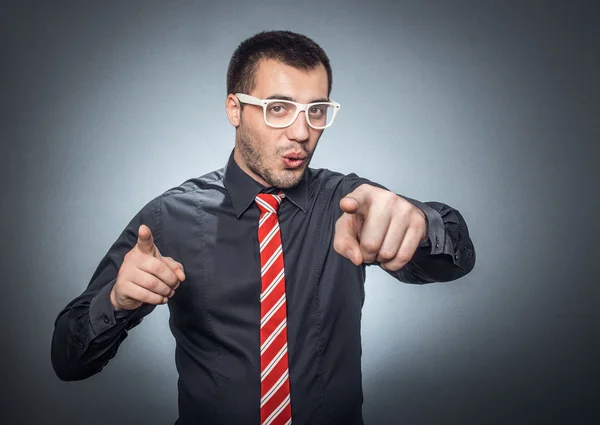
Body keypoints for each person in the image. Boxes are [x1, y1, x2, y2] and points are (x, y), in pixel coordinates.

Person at [51, 30, 476, 425]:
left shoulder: (350, 203)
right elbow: (68, 360)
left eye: (317, 111)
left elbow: (456, 258)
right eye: (278, 108)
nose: (302, 131)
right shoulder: (169, 217)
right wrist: (117, 300)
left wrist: (419, 224)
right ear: (235, 109)